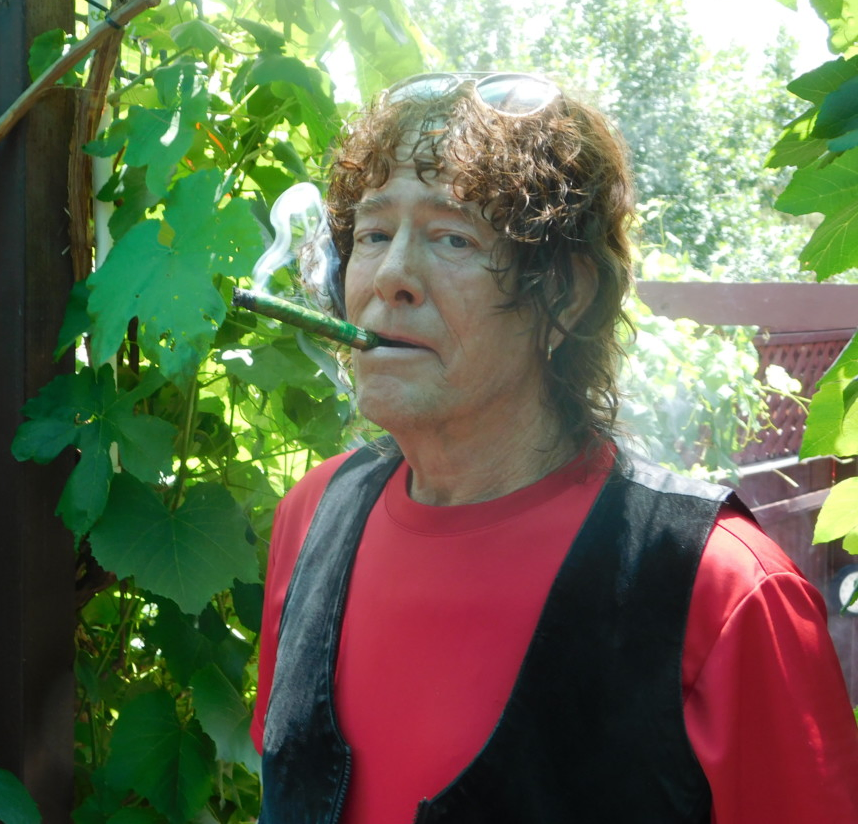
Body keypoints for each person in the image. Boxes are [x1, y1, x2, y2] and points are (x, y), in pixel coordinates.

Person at [249, 72, 858, 824]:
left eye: (452, 237)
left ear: (566, 294)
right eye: (374, 235)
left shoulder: (725, 590)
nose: (392, 276)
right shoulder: (312, 517)